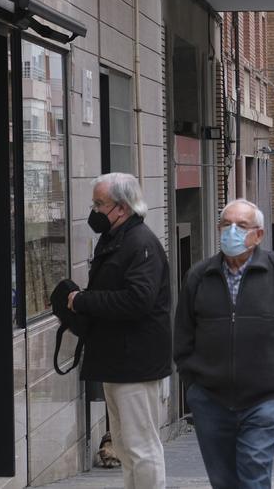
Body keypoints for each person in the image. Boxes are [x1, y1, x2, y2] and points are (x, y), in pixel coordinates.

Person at [174, 199, 274, 488]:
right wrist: (193, 385)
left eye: (241, 226)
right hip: (211, 399)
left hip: (266, 397)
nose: (232, 232)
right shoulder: (199, 276)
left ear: (260, 234)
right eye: (226, 225)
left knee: (253, 474)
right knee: (224, 480)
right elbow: (183, 333)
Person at [66, 173, 172, 488]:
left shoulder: (140, 244)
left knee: (140, 445)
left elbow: (137, 300)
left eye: (100, 204)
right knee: (126, 446)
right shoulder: (118, 239)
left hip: (134, 361)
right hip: (119, 359)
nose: (94, 211)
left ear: (122, 208)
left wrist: (84, 301)